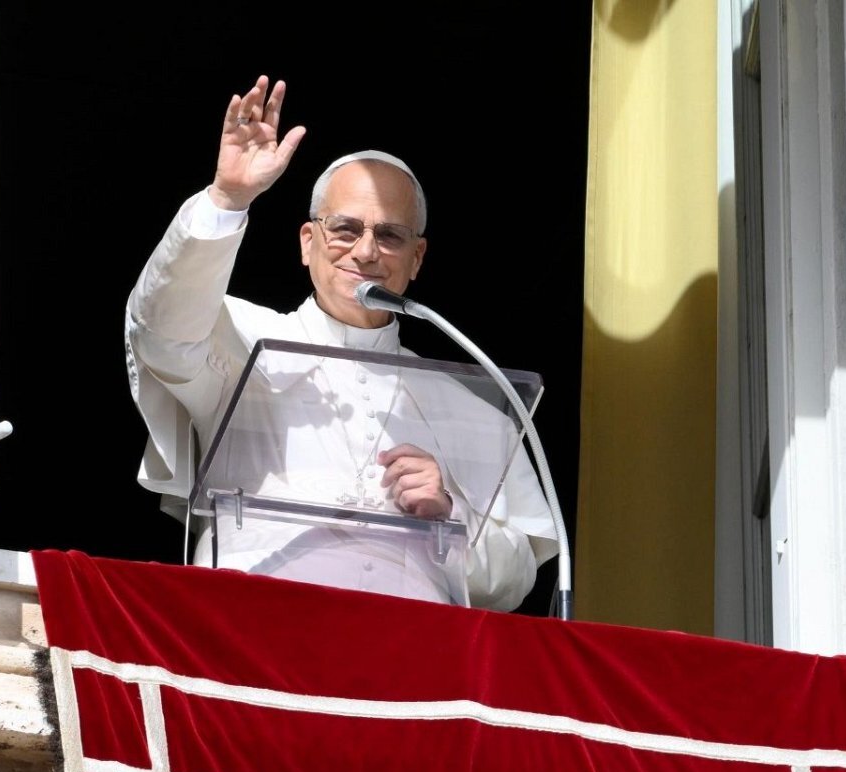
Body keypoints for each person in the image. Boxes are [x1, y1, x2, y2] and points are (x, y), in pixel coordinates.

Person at [125, 75, 558, 611]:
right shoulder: (238, 338)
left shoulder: (477, 407)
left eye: (390, 235)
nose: (368, 252)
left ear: (417, 258)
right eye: (345, 229)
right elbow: (161, 333)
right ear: (308, 243)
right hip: (255, 626)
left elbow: (514, 580)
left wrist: (451, 516)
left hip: (411, 658)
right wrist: (228, 199)